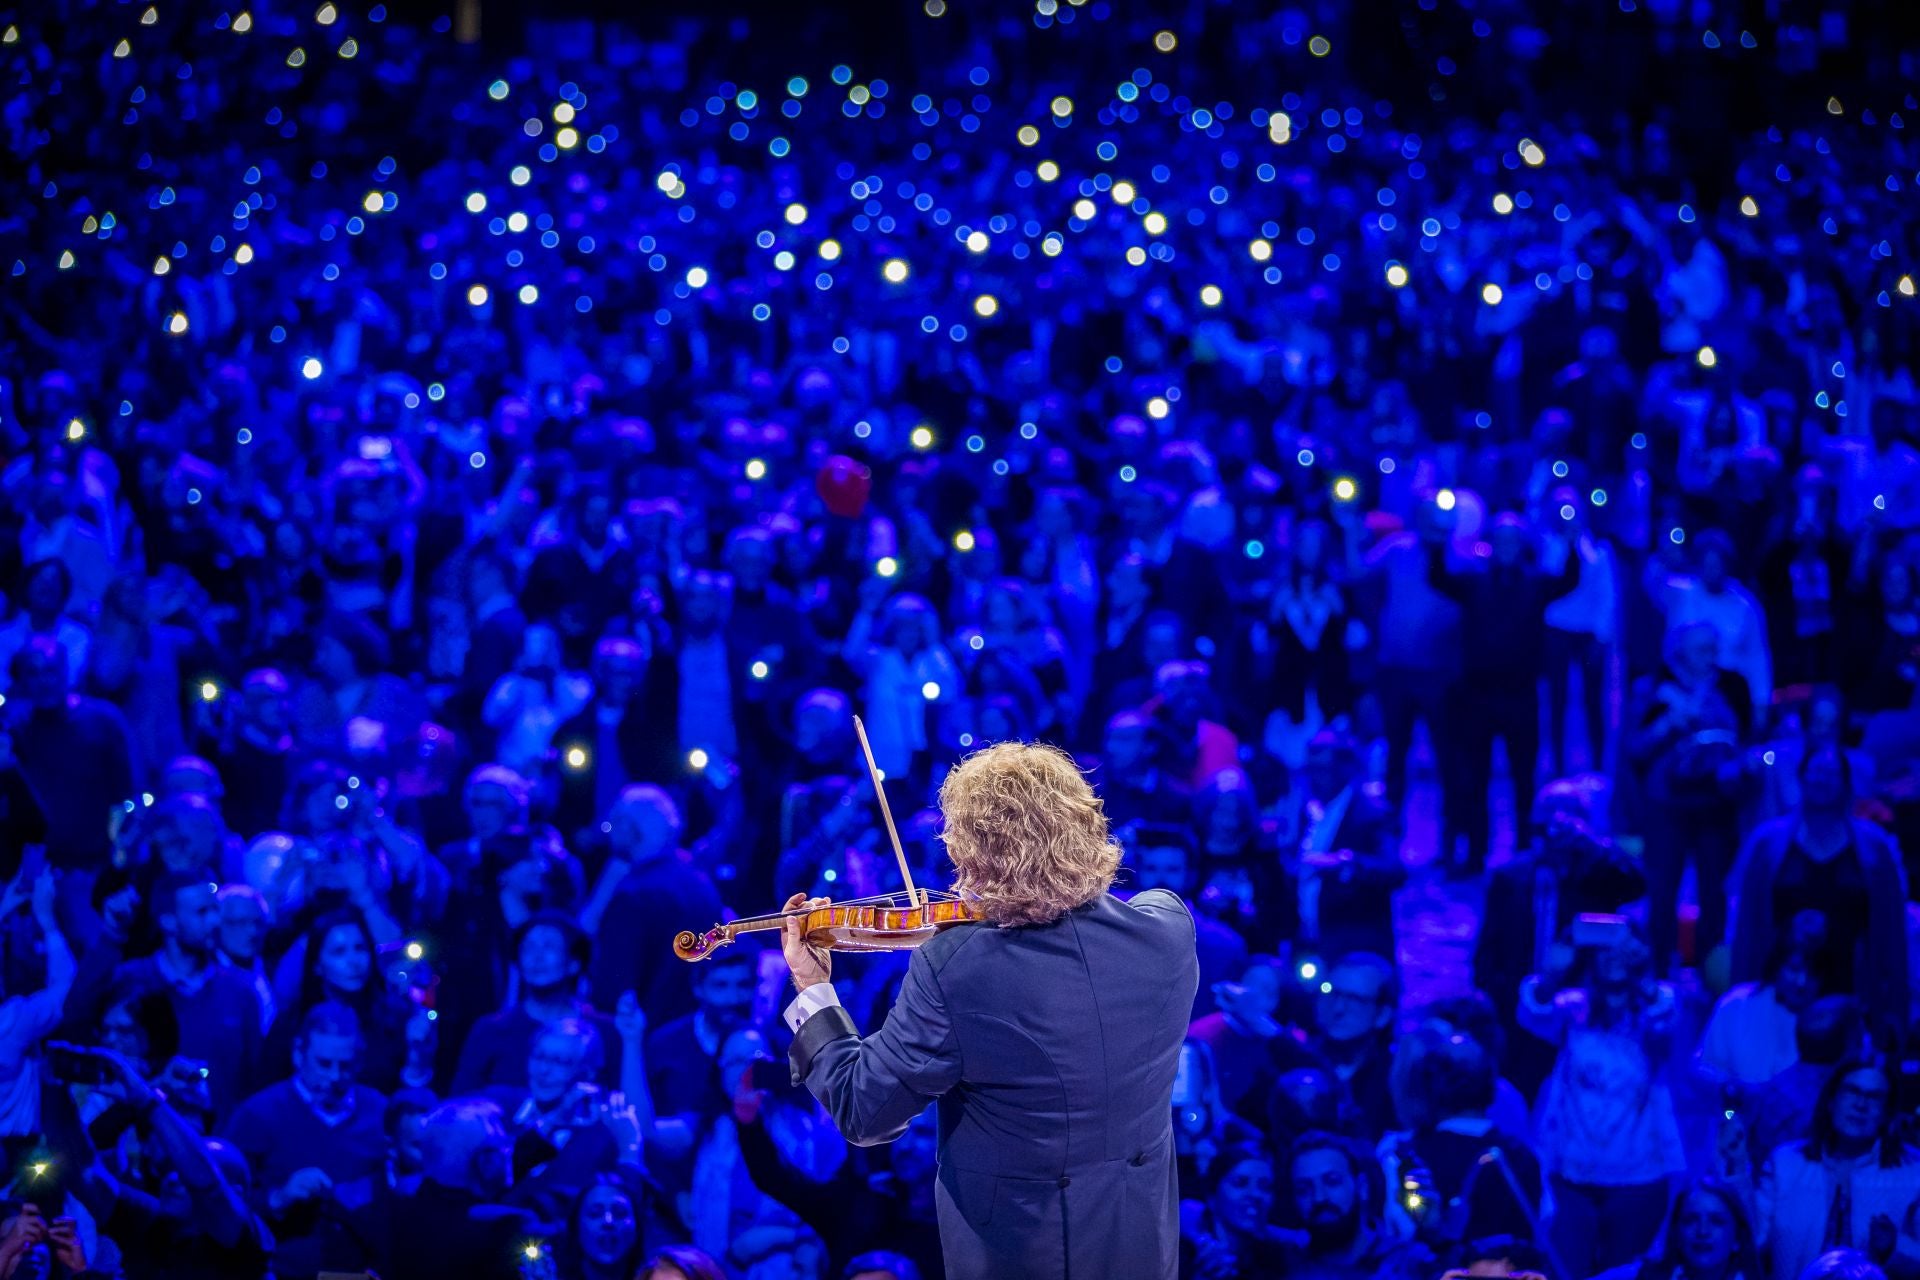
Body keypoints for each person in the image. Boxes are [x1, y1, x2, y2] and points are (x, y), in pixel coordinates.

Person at [780, 742, 1198, 1279]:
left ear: (972, 854)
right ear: (1088, 824)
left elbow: (864, 1109)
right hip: (1141, 1254)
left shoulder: (957, 969)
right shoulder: (1167, 930)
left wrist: (813, 986)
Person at [1519, 921, 1684, 1277]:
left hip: (1638, 1176)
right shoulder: (1574, 1008)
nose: (1613, 955)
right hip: (1571, 1174)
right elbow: (1532, 1013)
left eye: (1623, 946)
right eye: (1605, 946)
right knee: (1563, 1271)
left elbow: (1666, 1025)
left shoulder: (1660, 1003)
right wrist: (1552, 973)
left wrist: (1641, 976)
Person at [1727, 748, 1910, 1041]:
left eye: (1831, 773)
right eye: (1815, 772)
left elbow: (1892, 934)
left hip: (1853, 994)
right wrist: (1739, 997)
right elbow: (1747, 929)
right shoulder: (1767, 842)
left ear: (1846, 783)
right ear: (1801, 778)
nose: (1822, 780)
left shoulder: (1874, 847)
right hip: (1777, 995)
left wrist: (1895, 1009)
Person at [220, 1002, 389, 1280]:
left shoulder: (379, 1112)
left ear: (359, 1061)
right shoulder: (259, 1114)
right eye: (324, 1064)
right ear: (298, 1054)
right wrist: (278, 1197)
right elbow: (220, 1199)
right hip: (279, 1268)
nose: (335, 1077)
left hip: (355, 1272)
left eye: (346, 1066)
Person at [1731, 1059, 1920, 1280]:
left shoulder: (1913, 1172)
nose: (1861, 1105)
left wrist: (1893, 1248)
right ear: (1831, 1100)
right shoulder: (1786, 1164)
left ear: (1887, 1112)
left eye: (1874, 1097)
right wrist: (1737, 1169)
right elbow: (1752, 1239)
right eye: (1852, 1091)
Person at [1280, 1131, 1432, 1280]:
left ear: (1362, 1187)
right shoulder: (1289, 1271)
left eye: (1332, 1181)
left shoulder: (1411, 1263)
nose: (1319, 1198)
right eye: (1303, 1189)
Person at [1588, 1180, 1761, 1280]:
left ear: (1737, 1239)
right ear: (1676, 1233)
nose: (1703, 1231)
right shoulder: (1639, 1276)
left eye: (1717, 1221)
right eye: (1690, 1220)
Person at [1176, 1144, 1301, 1279]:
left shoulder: (1276, 1261)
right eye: (1240, 1183)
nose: (1256, 1194)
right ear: (1212, 1194)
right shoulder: (1182, 1254)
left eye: (1265, 1187)